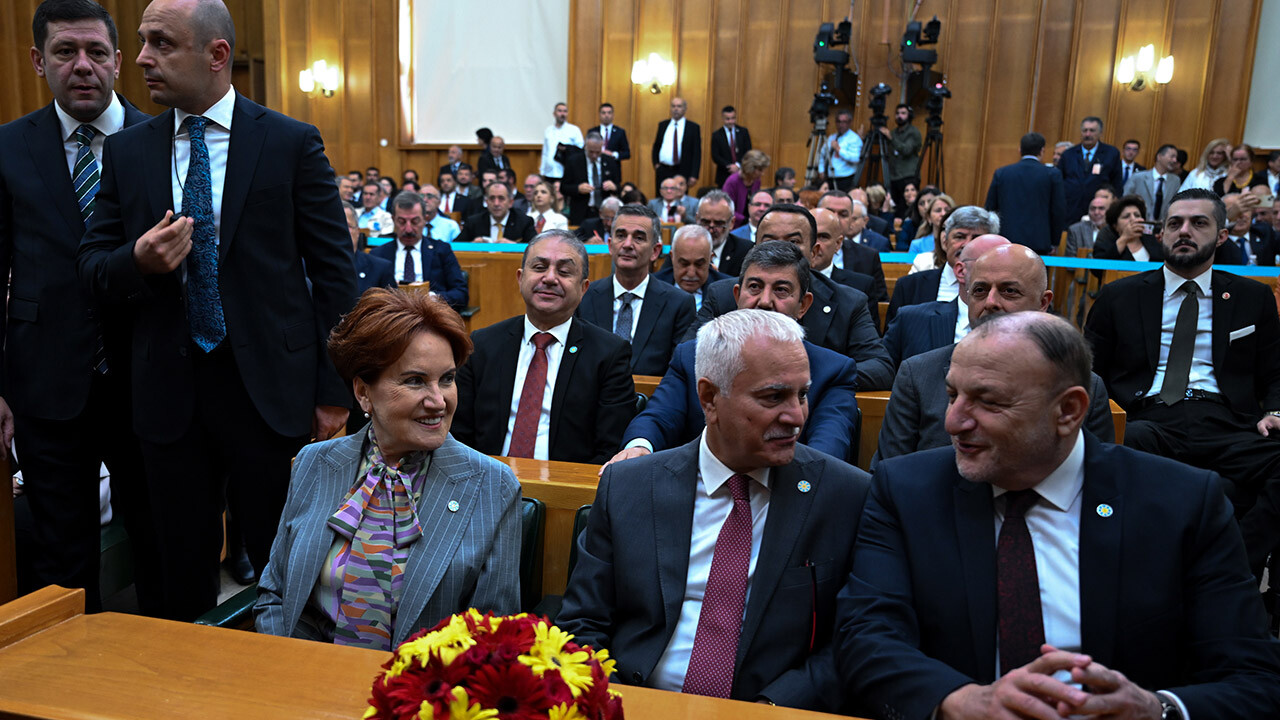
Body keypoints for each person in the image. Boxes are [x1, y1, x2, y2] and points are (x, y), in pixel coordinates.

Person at [836, 310, 1280, 720]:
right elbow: (867, 638)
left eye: (987, 402)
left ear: (1069, 411)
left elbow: (1254, 678)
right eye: (952, 395)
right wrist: (961, 700)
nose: (953, 421)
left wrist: (1156, 709)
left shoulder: (1182, 502)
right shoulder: (906, 490)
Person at [76, 0, 357, 621]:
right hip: (167, 396)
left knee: (288, 569)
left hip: (271, 396)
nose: (142, 58)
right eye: (142, 42)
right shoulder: (128, 151)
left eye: (161, 43)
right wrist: (138, 261)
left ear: (217, 55)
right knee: (178, 574)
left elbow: (336, 276)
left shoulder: (289, 141)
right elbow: (92, 266)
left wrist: (335, 390)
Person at [559, 309, 871, 711]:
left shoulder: (845, 495)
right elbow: (582, 625)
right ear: (708, 397)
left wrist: (770, 708)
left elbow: (853, 638)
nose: (796, 416)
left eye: (803, 394)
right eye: (773, 396)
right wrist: (620, 703)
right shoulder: (630, 488)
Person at [0, 0, 160, 614]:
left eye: (96, 51)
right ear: (40, 61)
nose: (83, 65)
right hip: (45, 382)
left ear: (120, 61)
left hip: (148, 377)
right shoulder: (10, 148)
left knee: (158, 543)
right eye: (65, 52)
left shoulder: (161, 140)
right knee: (60, 560)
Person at [255, 289, 521, 648]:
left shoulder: (493, 485)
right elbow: (274, 593)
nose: (438, 401)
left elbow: (493, 636)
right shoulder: (314, 463)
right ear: (364, 393)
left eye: (446, 379)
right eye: (415, 381)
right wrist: (287, 665)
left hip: (424, 693)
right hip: (304, 678)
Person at [1086, 187, 1280, 580]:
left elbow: (1275, 371)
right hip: (1149, 418)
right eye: (1175, 223)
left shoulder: (1252, 297)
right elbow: (1087, 371)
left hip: (1228, 421)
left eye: (1199, 223)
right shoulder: (1118, 297)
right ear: (1161, 235)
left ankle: (1232, 569)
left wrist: (1275, 411)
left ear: (1222, 236)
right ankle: (1134, 577)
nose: (1184, 231)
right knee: (1123, 450)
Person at [616, 240, 859, 463]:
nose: (764, 301)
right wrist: (640, 447)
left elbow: (827, 450)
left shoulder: (833, 371)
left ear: (803, 305)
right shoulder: (691, 356)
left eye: (781, 290)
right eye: (754, 287)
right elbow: (657, 418)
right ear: (737, 295)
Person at [876, 245, 1114, 464]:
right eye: (979, 290)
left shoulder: (1086, 386)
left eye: (1009, 291)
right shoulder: (917, 375)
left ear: (1043, 302)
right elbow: (886, 478)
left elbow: (1097, 481)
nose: (990, 302)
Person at [453, 230, 635, 463]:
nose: (550, 278)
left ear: (583, 288)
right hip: (486, 481)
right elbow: (459, 434)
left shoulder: (609, 354)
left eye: (564, 271)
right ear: (520, 278)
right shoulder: (482, 344)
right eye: (539, 268)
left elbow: (611, 448)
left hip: (567, 488)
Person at [690, 204, 894, 391]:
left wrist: (798, 377)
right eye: (769, 242)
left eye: (793, 242)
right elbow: (688, 356)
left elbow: (880, 369)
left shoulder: (849, 303)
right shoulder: (723, 294)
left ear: (814, 253)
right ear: (753, 249)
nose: (779, 251)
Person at [577, 206, 696, 376]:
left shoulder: (679, 304)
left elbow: (678, 373)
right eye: (621, 235)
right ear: (610, 245)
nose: (627, 244)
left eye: (638, 238)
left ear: (655, 251)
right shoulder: (584, 296)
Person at [883, 233, 1009, 368]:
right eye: (990, 265)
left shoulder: (1031, 328)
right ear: (961, 271)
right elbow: (881, 372)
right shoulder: (911, 321)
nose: (1002, 274)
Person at [887, 205, 999, 325]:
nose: (967, 245)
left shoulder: (1002, 290)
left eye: (976, 239)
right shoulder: (909, 287)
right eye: (959, 237)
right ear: (945, 242)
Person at [370, 191, 468, 309]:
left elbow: (461, 294)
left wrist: (432, 298)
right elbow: (368, 297)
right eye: (401, 222)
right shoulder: (378, 254)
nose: (408, 229)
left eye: (415, 221)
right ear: (393, 219)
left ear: (425, 219)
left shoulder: (441, 251)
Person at [983, 132, 1066, 255]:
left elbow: (990, 208)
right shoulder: (1052, 174)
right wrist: (1054, 242)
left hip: (1005, 241)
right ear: (1042, 151)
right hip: (1039, 243)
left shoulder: (1002, 173)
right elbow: (1058, 210)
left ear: (1020, 150)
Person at [815, 191, 889, 303]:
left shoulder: (868, 257)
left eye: (843, 215)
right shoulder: (801, 250)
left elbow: (879, 303)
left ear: (851, 219)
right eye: (829, 212)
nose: (835, 219)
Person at [1057, 115, 1124, 221]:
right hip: (1071, 208)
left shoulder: (1111, 153)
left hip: (1099, 210)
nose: (1087, 134)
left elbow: (1117, 183)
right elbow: (1059, 180)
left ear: (1100, 133)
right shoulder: (1068, 154)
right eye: (1085, 130)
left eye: (1092, 130)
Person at [653, 225, 730, 311]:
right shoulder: (653, 287)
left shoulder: (727, 292)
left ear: (710, 259)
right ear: (672, 257)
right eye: (684, 264)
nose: (691, 273)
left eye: (699, 264)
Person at [561, 131, 620, 225]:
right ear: (586, 146)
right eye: (591, 152)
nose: (594, 155)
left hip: (603, 213)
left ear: (602, 147)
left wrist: (614, 187)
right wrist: (578, 188)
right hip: (581, 211)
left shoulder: (610, 162)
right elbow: (563, 187)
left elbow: (619, 186)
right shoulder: (573, 161)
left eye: (598, 152)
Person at [696, 190, 753, 276]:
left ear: (732, 223)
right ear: (697, 219)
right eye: (706, 222)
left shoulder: (746, 252)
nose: (711, 230)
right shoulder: (682, 246)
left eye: (718, 224)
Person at [652, 96, 701, 195]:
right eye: (673, 106)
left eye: (679, 106)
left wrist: (694, 175)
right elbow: (656, 147)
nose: (676, 109)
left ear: (685, 109)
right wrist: (656, 164)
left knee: (680, 199)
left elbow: (697, 153)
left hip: (682, 170)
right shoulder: (663, 125)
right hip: (663, 169)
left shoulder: (693, 127)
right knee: (661, 198)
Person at [457, 181, 535, 243]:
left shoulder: (524, 222)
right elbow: (456, 247)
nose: (496, 203)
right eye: (492, 198)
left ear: (510, 202)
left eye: (501, 198)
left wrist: (514, 247)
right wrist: (471, 246)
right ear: (487, 202)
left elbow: (535, 249)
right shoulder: (473, 222)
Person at [1093, 194, 1161, 262]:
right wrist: (1124, 238)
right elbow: (1098, 269)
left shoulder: (1151, 237)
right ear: (1115, 225)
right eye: (1126, 216)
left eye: (1137, 215)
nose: (1133, 219)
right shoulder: (1106, 237)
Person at [344, 202, 394, 294]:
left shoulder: (380, 268)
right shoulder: (313, 267)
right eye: (335, 225)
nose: (341, 230)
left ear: (358, 231)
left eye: (347, 225)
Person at [1124, 142, 1181, 223]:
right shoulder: (1138, 177)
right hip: (1138, 223)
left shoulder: (1175, 181)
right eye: (1172, 156)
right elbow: (1125, 199)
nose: (1175, 160)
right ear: (1159, 156)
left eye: (1176, 157)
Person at [883, 104, 922, 207]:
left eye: (903, 113)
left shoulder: (913, 132)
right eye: (897, 113)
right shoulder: (893, 132)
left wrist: (891, 138)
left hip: (908, 175)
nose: (899, 116)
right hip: (894, 176)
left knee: (906, 206)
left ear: (909, 115)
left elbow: (906, 150)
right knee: (894, 206)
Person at [540, 102, 583, 188]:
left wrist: (567, 149)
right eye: (560, 111)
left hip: (566, 172)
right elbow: (545, 152)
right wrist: (542, 171)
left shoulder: (574, 130)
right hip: (549, 173)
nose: (562, 114)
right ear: (554, 113)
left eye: (565, 111)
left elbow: (580, 150)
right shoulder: (548, 130)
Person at [723, 149, 770, 228]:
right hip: (734, 225)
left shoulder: (756, 181)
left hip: (751, 224)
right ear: (750, 167)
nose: (762, 173)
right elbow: (727, 209)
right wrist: (745, 220)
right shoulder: (732, 182)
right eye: (760, 170)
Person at [710, 105, 752, 187]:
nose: (730, 121)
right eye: (727, 119)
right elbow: (715, 156)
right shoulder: (717, 135)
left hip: (742, 172)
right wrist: (729, 166)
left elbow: (748, 151)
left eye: (733, 118)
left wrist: (738, 165)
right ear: (723, 118)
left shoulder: (743, 132)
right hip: (724, 174)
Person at [824, 108, 862, 191]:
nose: (841, 124)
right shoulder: (832, 137)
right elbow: (823, 155)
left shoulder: (854, 138)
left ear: (849, 123)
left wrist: (839, 149)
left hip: (845, 179)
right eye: (838, 121)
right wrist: (821, 170)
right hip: (829, 178)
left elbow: (856, 158)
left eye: (844, 122)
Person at [906, 192, 954, 257]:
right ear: (929, 218)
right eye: (938, 210)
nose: (943, 214)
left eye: (947, 210)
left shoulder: (959, 242)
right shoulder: (917, 245)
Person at [1065, 193, 1110, 258]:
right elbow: (1070, 262)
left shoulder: (1116, 230)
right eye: (1093, 208)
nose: (1096, 212)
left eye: (1101, 208)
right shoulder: (1075, 230)